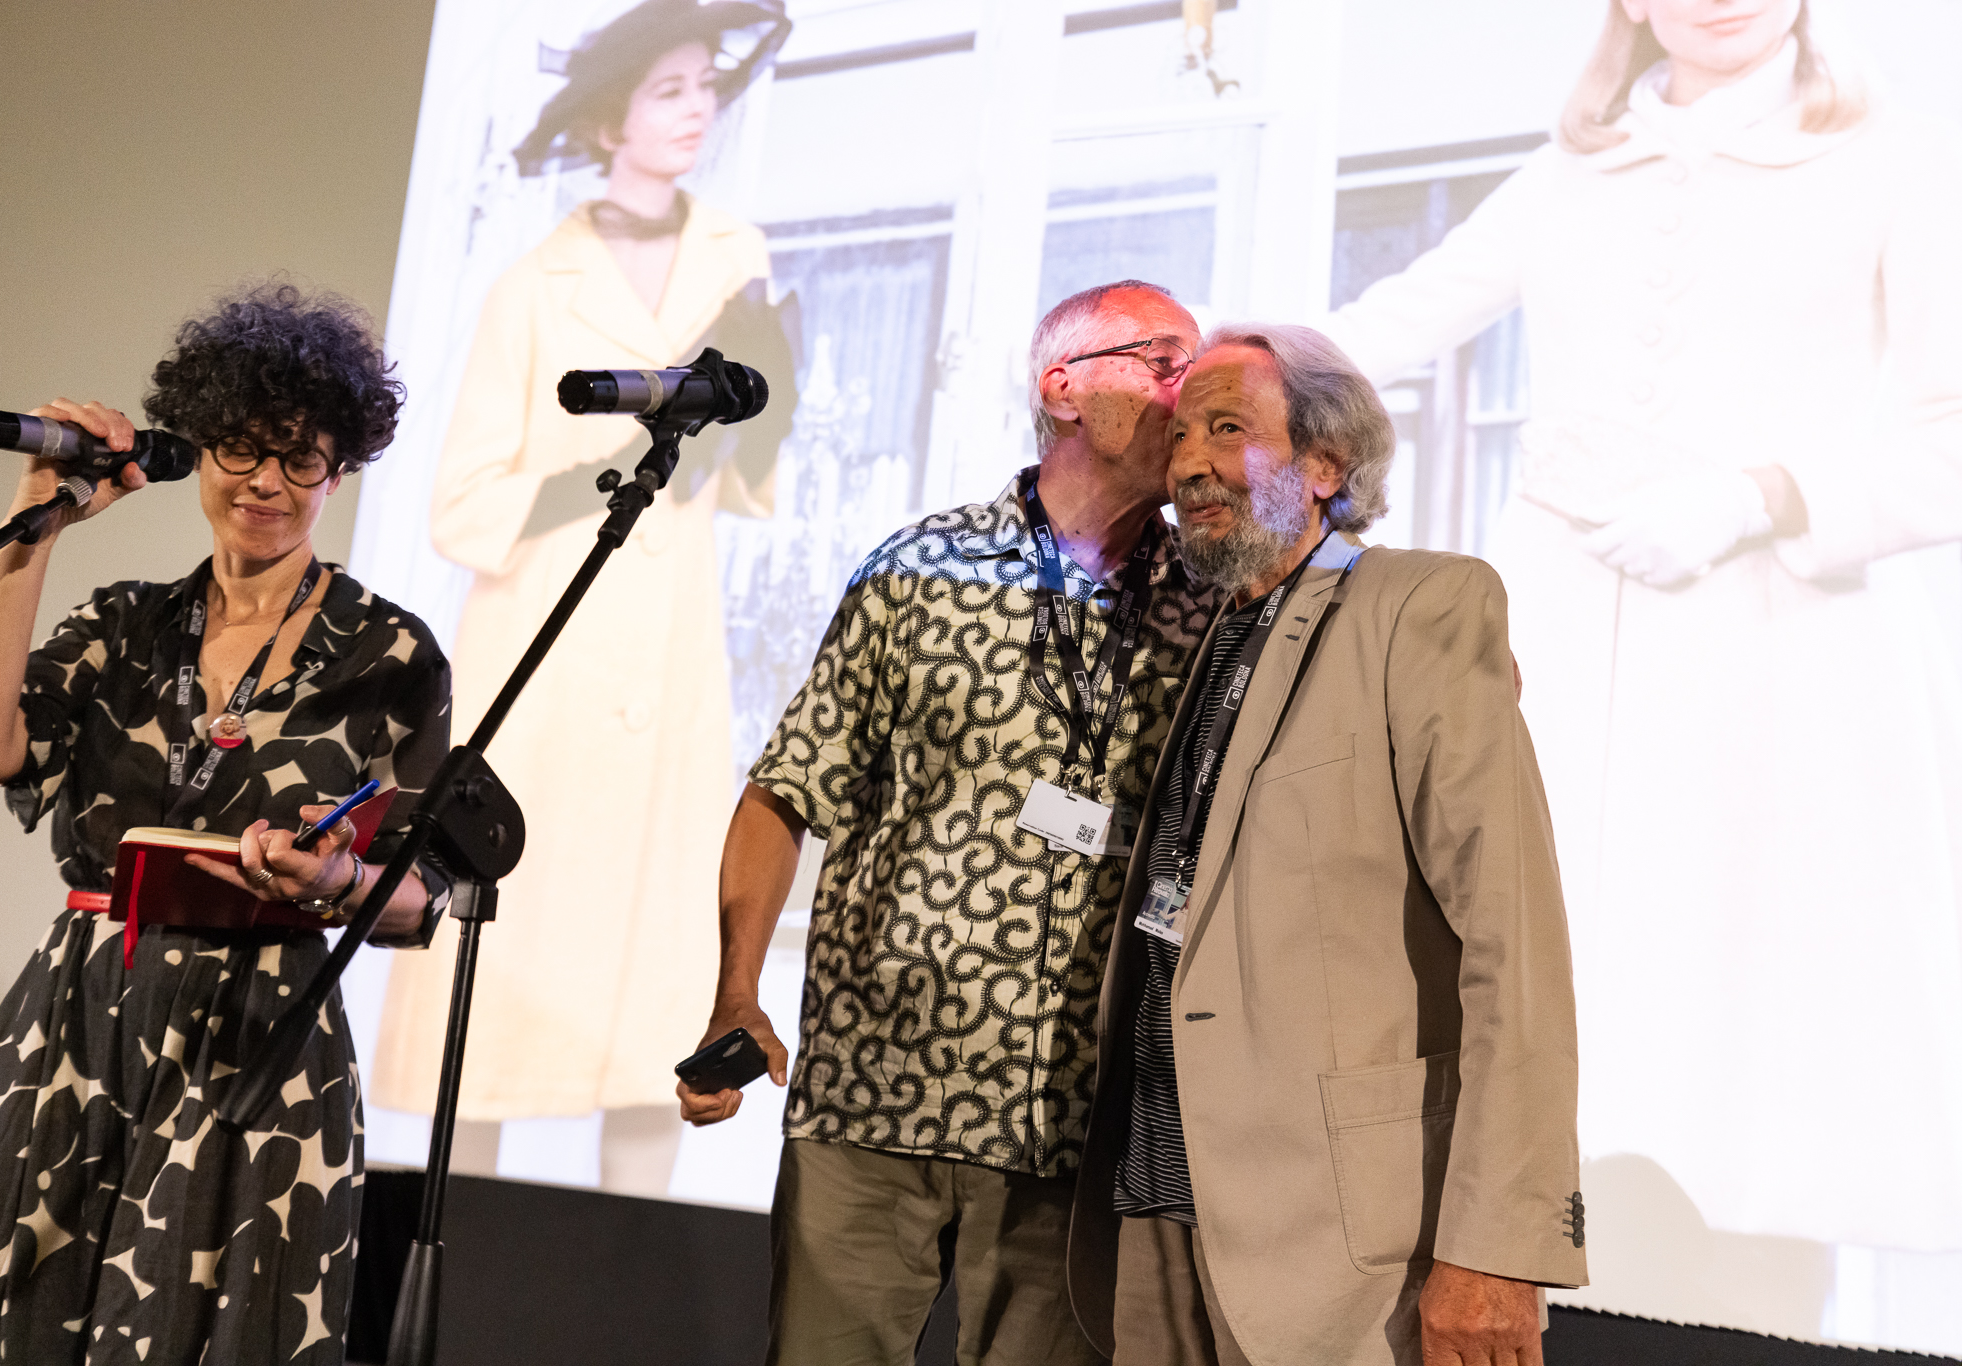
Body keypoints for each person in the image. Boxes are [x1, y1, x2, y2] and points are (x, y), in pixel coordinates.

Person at [1320, 0, 1962, 1252]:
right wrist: (1194, 371)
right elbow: (1382, 328)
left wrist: (1758, 497)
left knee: (1736, 1021)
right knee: (1530, 945)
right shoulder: (1573, 167)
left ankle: (1739, 1287)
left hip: (1770, 638)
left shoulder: (1890, 158)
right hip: (1554, 625)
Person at [678, 281, 1217, 1364]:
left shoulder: (1210, 604)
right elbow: (785, 791)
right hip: (872, 1096)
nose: (1187, 394)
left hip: (1075, 1126)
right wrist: (736, 994)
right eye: (1164, 363)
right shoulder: (920, 567)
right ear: (1062, 388)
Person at [0, 283, 453, 1365]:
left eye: (299, 456)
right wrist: (36, 526)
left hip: (260, 1034)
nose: (265, 480)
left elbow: (422, 892)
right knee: (17, 1321)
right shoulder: (121, 622)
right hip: (76, 1017)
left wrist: (337, 882)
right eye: (240, 447)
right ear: (199, 447)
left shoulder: (388, 652)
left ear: (339, 469)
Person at [1070, 325, 1586, 1366]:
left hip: (1337, 1251)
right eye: (1181, 437)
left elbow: (1513, 944)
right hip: (1158, 1211)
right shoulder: (1206, 636)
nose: (1188, 463)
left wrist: (1496, 1248)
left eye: (1228, 429)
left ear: (1324, 465)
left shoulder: (1420, 605)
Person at [372, 0, 796, 1195]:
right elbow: (462, 503)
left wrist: (768, 404)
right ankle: (450, 1226)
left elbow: (746, 480)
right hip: (548, 658)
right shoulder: (531, 286)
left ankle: (637, 1245)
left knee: (656, 981)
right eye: (669, 89)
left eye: (706, 86)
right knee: (499, 985)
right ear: (612, 119)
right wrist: (615, 458)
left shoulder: (738, 254)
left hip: (669, 666)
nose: (697, 109)